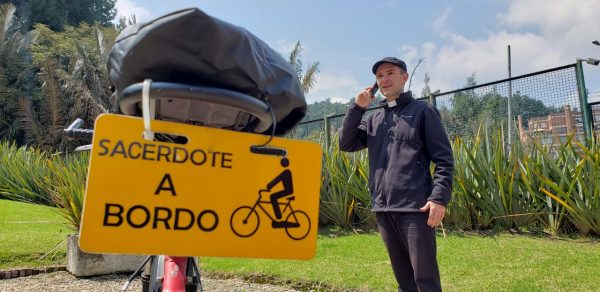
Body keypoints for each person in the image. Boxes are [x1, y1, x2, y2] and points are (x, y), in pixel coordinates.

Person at [339, 57, 454, 292]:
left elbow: (444, 159)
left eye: (390, 73)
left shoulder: (423, 111)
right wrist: (358, 108)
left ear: (404, 77)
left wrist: (439, 198)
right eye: (379, 76)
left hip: (415, 210)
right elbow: (346, 143)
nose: (384, 79)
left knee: (425, 281)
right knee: (404, 281)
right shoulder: (374, 120)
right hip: (383, 209)